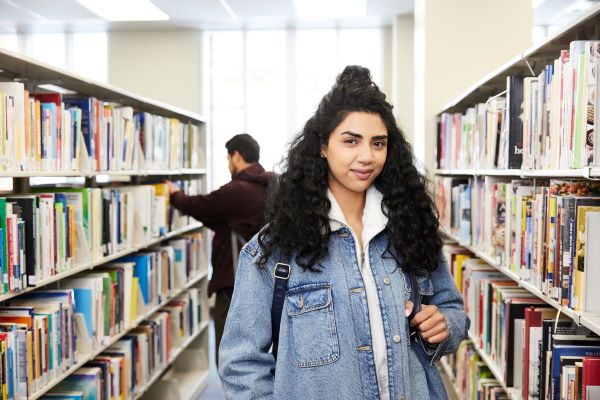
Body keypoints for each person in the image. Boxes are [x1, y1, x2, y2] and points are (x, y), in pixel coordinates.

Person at [218, 66, 469, 399]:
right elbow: (241, 365)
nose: (366, 156)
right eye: (351, 141)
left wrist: (445, 325)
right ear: (323, 145)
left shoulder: (410, 228)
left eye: (378, 143)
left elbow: (452, 309)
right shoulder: (275, 249)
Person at [166, 133, 272, 363]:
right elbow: (222, 218)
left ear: (236, 156)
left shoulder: (237, 190)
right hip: (267, 279)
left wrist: (174, 194)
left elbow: (200, 206)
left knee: (229, 355)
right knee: (258, 351)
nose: (227, 164)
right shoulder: (272, 184)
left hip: (234, 283)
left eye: (227, 159)